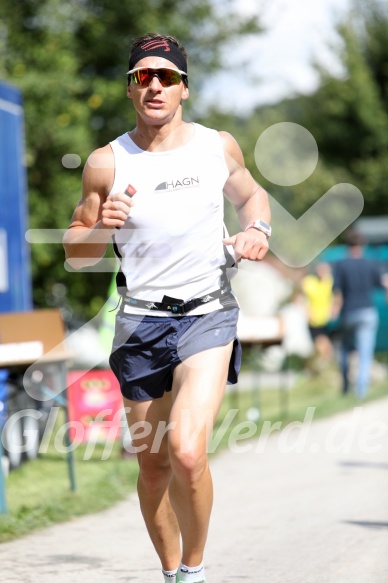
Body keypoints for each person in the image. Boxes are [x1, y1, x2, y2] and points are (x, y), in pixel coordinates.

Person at [63, 33, 271, 583]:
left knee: (184, 451)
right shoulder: (106, 163)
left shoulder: (215, 145)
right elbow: (75, 250)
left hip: (207, 312)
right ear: (130, 89)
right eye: (142, 76)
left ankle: (195, 570)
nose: (154, 85)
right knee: (153, 468)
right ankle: (172, 572)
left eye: (167, 76)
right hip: (140, 321)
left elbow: (252, 195)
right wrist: (98, 225)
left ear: (184, 89)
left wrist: (258, 228)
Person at [332, 231, 388, 399]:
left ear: (347, 245)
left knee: (344, 349)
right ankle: (361, 391)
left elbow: (336, 291)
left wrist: (334, 311)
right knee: (365, 352)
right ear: (362, 246)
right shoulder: (370, 263)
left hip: (349, 312)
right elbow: (383, 284)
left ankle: (346, 384)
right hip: (367, 312)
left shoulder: (341, 264)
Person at [301, 262, 334, 368]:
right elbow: (301, 298)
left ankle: (322, 366)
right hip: (314, 320)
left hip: (326, 320)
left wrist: (334, 309)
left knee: (324, 346)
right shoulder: (309, 282)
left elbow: (335, 296)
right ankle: (324, 365)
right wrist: (307, 311)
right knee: (322, 345)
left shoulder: (329, 282)